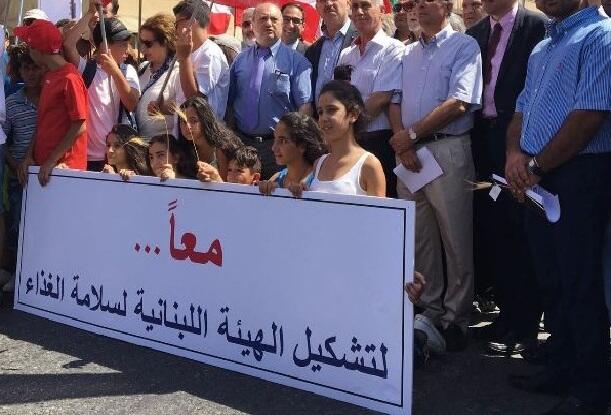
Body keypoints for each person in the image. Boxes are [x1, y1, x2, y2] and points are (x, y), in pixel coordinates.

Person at [503, 0, 611, 411]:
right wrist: (515, 156)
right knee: (551, 275)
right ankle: (560, 366)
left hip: (579, 176)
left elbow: (589, 116)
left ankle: (592, 388)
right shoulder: (543, 46)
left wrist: (534, 165)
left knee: (579, 281)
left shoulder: (601, 37)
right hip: (535, 174)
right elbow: (521, 110)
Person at [389, 0, 482, 351]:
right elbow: (394, 101)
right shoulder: (407, 52)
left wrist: (410, 135)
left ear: (445, 6)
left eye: (424, 2)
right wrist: (404, 143)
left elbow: (460, 101)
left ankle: (456, 318)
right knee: (421, 237)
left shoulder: (464, 45)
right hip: (411, 156)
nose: (416, 8)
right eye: (412, 3)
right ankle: (428, 310)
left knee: (456, 238)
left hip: (447, 148)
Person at [466, 0, 547, 355]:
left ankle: (527, 322)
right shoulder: (476, 33)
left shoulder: (537, 26)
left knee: (522, 230)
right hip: (483, 138)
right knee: (495, 229)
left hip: (520, 140)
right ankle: (506, 315)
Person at [227, 2, 312, 180]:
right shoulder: (239, 60)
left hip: (277, 147)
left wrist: (294, 146)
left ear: (281, 24)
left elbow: (304, 109)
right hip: (242, 143)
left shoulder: (298, 63)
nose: (269, 23)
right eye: (263, 19)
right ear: (253, 24)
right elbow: (229, 102)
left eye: (274, 19)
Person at [337, 0, 404, 198]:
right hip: (349, 142)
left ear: (382, 11)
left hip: (378, 143)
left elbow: (381, 97)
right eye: (355, 6)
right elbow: (338, 97)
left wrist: (345, 127)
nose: (358, 12)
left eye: (365, 5)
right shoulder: (346, 54)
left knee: (379, 207)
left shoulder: (393, 49)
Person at [63, 3, 140, 172]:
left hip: (118, 158)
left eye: (128, 43)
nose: (127, 49)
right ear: (104, 45)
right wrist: (90, 13)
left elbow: (132, 103)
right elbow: (68, 44)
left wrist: (115, 72)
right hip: (88, 157)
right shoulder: (87, 69)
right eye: (122, 44)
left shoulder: (128, 71)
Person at [14, 19, 88, 187]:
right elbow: (43, 122)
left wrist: (51, 160)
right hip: (46, 169)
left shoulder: (70, 78)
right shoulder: (49, 76)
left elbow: (80, 125)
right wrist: (29, 156)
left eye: (29, 45)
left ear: (36, 49)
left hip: (65, 170)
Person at [2, 45, 43, 291]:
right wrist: (15, 165)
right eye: (25, 68)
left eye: (35, 67)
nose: (30, 73)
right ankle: (19, 275)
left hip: (47, 174)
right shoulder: (11, 103)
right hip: (19, 175)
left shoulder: (52, 98)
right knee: (18, 225)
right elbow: (3, 141)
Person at [308, 80, 385, 197]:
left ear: (353, 114)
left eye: (331, 110)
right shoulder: (318, 164)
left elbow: (380, 215)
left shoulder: (369, 165)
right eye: (320, 112)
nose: (323, 118)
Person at [174, 0, 230, 119]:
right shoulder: (190, 52)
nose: (175, 30)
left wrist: (184, 58)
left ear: (191, 22)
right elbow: (180, 98)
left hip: (205, 133)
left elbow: (194, 99)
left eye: (177, 24)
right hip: (186, 130)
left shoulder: (210, 53)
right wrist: (163, 107)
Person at [136, 13, 180, 139]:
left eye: (148, 44)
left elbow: (184, 108)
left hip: (163, 147)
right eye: (141, 43)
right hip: (138, 145)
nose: (142, 49)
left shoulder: (177, 72)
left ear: (165, 42)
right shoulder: (142, 68)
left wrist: (163, 107)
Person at [305, 0, 357, 106]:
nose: (328, 3)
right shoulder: (312, 51)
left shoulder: (362, 40)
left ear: (349, 3)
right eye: (322, 0)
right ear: (317, 7)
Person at [258, 112, 325, 195]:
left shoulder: (319, 179)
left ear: (302, 146)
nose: (274, 148)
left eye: (283, 141)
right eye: (275, 139)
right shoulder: (276, 178)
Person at [177, 96, 241, 181]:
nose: (187, 126)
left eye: (194, 121)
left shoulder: (222, 147)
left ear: (205, 121)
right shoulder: (182, 148)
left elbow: (225, 186)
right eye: (183, 121)